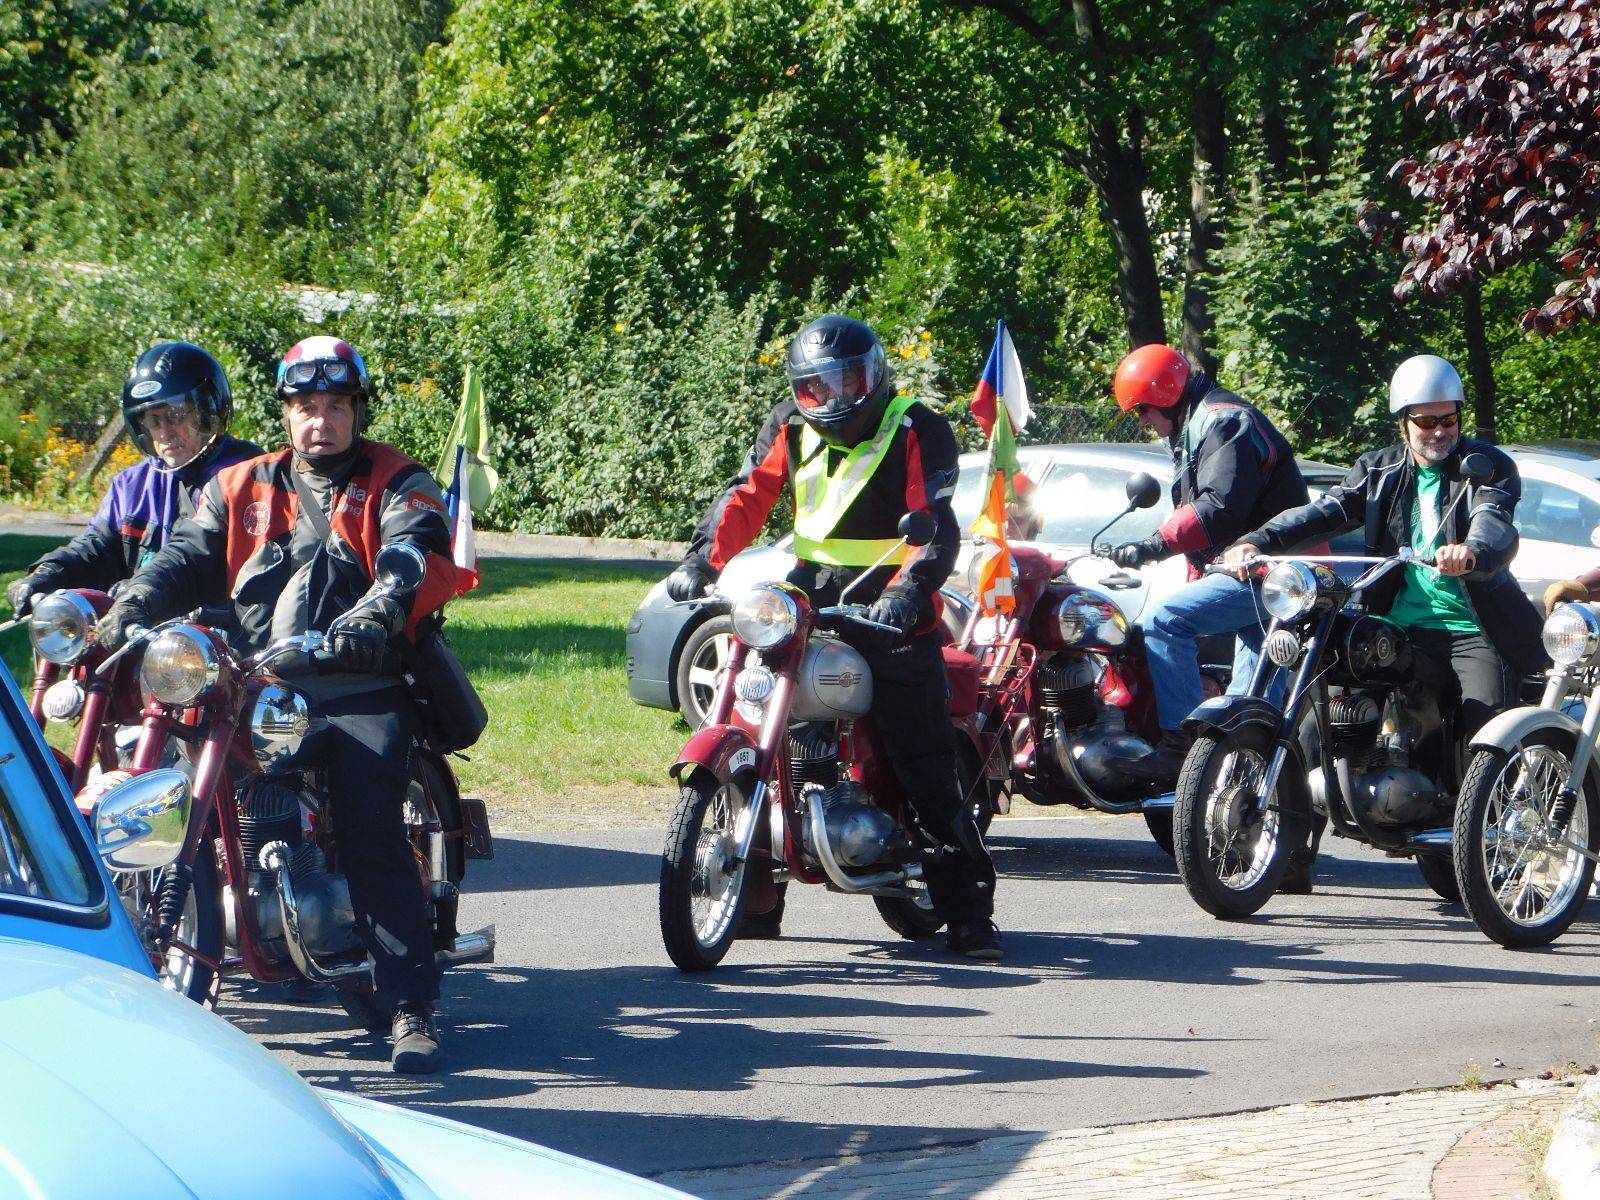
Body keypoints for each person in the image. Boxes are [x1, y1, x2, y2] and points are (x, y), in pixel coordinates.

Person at [95, 335, 459, 1074]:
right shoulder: (240, 485)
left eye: (336, 406)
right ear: (285, 414)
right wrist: (135, 602)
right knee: (179, 769)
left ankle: (411, 1007)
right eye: (305, 407)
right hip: (256, 680)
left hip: (359, 682)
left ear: (357, 413)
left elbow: (412, 549)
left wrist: (380, 609)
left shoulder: (398, 478)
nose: (320, 421)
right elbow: (184, 555)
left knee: (368, 823)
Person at [665, 314, 1001, 959]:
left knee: (924, 759)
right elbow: (748, 494)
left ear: (874, 375)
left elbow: (934, 524)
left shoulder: (916, 427)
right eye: (815, 387)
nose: (833, 398)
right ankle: (755, 898)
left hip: (891, 603)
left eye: (847, 381)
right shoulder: (789, 424)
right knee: (756, 716)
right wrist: (701, 562)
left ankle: (968, 915)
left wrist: (906, 595)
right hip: (807, 595)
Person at [1224, 353, 1544, 863]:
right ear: (1403, 422)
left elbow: (1494, 519)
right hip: (1394, 624)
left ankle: (1492, 850)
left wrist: (1473, 551)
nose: (1438, 431)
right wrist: (1257, 540)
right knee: (1317, 712)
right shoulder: (1377, 469)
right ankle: (1288, 855)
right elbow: (1325, 512)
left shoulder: (1486, 466)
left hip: (1473, 628)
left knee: (1486, 727)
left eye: (1448, 420)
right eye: (1426, 421)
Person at [1105, 345, 1310, 790]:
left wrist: (1154, 545)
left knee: (1165, 620)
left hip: (1271, 574)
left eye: (1142, 410)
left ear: (1165, 397)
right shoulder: (1204, 423)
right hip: (1271, 576)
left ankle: (1180, 749)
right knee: (1249, 709)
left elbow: (1219, 508)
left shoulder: (1224, 421)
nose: (1142, 421)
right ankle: (1241, 797)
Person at [6, 342, 262, 614]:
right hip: (140, 625)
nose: (164, 433)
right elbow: (97, 546)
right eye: (153, 421)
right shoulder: (133, 484)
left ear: (208, 411)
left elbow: (204, 559)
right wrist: (50, 571)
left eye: (175, 416)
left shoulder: (250, 475)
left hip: (221, 631)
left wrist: (143, 588)